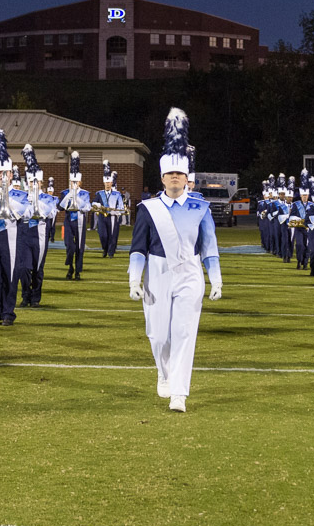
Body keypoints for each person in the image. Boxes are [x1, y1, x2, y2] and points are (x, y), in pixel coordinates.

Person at [129, 107, 221, 414]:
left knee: (184, 332)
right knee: (158, 334)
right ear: (162, 176)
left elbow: (209, 247)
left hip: (190, 273)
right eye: (170, 173)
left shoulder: (201, 208)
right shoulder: (148, 208)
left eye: (180, 173)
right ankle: (164, 371)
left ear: (186, 177)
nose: (175, 178)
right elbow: (138, 248)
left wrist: (216, 278)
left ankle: (179, 393)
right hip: (157, 272)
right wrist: (133, 278)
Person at [0, 128, 31, 326]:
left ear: (11, 174)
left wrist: (7, 200)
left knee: (10, 275)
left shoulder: (20, 194)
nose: (2, 176)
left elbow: (27, 214)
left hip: (11, 236)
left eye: (6, 172)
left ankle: (8, 313)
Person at [19, 144, 57, 308]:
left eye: (35, 181)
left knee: (37, 268)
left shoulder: (48, 198)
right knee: (24, 268)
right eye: (30, 181)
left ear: (41, 182)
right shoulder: (22, 196)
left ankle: (35, 298)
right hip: (25, 233)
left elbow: (50, 213)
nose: (33, 184)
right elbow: (21, 214)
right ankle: (25, 295)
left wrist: (36, 203)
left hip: (40, 235)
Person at [59, 151, 90, 280]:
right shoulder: (65, 192)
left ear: (80, 182)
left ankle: (77, 270)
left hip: (80, 222)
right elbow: (61, 207)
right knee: (69, 246)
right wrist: (69, 196)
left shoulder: (85, 193)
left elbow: (87, 207)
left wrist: (78, 198)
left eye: (76, 182)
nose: (74, 184)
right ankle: (70, 266)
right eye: (72, 181)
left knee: (79, 247)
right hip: (68, 221)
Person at [94, 161, 124, 258]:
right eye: (106, 182)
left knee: (112, 235)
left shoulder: (117, 194)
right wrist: (99, 206)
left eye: (109, 182)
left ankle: (110, 252)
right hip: (102, 216)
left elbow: (121, 207)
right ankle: (105, 248)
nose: (107, 184)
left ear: (112, 183)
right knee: (103, 235)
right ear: (104, 183)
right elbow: (93, 203)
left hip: (112, 216)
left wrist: (115, 211)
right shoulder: (99, 193)